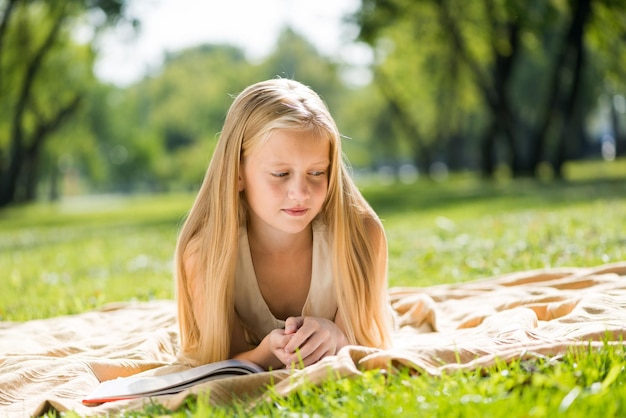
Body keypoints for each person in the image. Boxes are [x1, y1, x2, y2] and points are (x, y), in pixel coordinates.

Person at [174, 78, 393, 371]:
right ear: (237, 174)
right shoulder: (205, 253)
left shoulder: (361, 237)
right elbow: (224, 359)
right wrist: (266, 353)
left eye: (317, 172)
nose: (301, 193)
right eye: (280, 174)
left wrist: (336, 337)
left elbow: (367, 343)